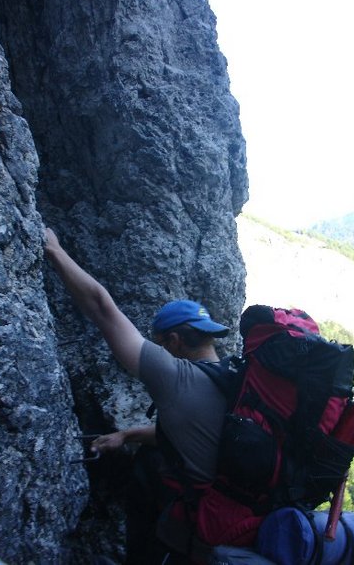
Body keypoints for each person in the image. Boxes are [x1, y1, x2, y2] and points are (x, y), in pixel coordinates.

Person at [44, 228, 230, 564]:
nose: (160, 349)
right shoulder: (235, 377)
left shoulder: (175, 377)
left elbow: (102, 308)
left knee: (149, 468)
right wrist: (127, 435)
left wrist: (55, 250)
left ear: (173, 341)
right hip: (243, 519)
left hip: (202, 533)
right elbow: (191, 436)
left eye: (160, 343)